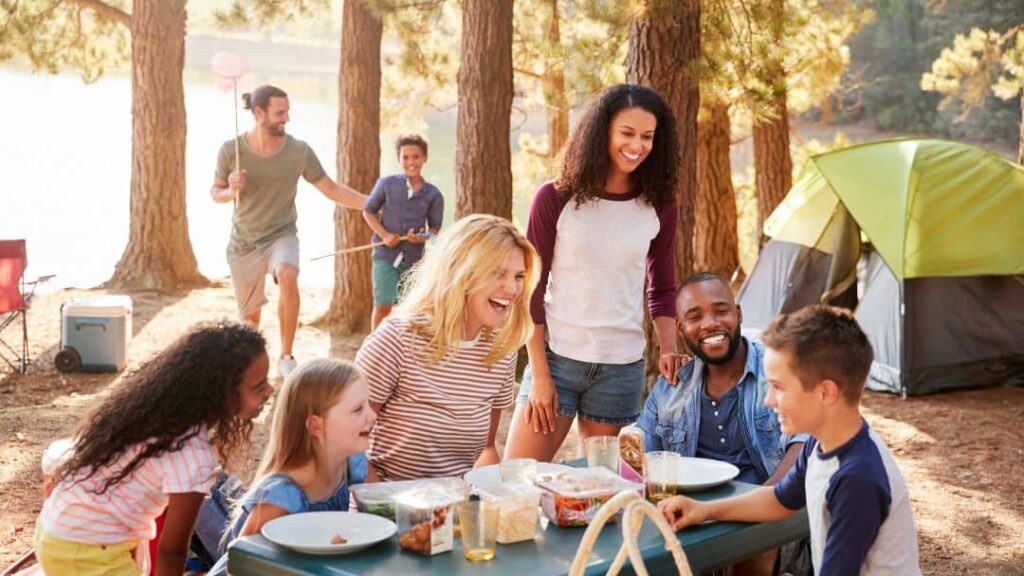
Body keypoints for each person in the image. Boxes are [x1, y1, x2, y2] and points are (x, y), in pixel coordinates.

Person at [659, 305, 922, 576]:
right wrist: (703, 510)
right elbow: (779, 500)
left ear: (826, 392)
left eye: (779, 387)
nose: (769, 399)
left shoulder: (857, 478)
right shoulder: (822, 442)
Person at [503, 83, 685, 463]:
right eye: (627, 133)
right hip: (557, 358)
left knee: (599, 489)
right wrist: (539, 374)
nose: (637, 145)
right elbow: (530, 292)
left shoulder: (660, 205)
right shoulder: (555, 198)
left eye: (648, 137)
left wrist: (669, 346)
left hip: (621, 368)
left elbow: (662, 286)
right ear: (603, 131)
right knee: (517, 479)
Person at [34, 321, 272, 576]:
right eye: (258, 387)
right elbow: (171, 551)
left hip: (56, 528)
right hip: (86, 550)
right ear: (222, 392)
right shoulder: (192, 455)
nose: (270, 390)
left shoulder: (154, 413)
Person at [638, 271, 807, 576]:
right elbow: (639, 459)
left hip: (768, 514)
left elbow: (800, 457)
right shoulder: (670, 389)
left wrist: (752, 508)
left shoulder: (778, 373)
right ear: (680, 328)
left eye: (721, 311)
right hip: (691, 516)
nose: (710, 323)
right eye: (695, 316)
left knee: (756, 540)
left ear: (737, 313)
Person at [355, 214, 539, 480]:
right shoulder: (395, 340)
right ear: (460, 272)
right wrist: (387, 505)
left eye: (519, 276)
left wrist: (497, 498)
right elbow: (347, 448)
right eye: (497, 273)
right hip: (384, 510)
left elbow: (486, 450)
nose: (512, 288)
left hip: (453, 509)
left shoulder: (502, 351)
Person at [210, 84, 368, 379]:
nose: (286, 118)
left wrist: (372, 203)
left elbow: (331, 188)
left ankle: (286, 356)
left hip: (281, 233)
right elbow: (215, 193)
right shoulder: (231, 151)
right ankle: (251, 365)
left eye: (288, 112)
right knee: (250, 318)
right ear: (259, 113)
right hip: (244, 242)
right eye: (280, 113)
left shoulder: (298, 151)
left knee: (288, 273)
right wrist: (231, 190)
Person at [203, 359, 375, 575]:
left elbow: (384, 514)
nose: (373, 415)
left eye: (369, 404)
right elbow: (242, 563)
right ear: (316, 425)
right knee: (204, 495)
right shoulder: (282, 495)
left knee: (222, 491)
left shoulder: (351, 461)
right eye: (358, 409)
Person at [362, 133, 444, 330]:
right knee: (382, 305)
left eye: (415, 157)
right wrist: (384, 235)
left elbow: (434, 230)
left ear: (425, 158)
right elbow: (368, 211)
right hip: (385, 255)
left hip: (414, 259)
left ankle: (402, 350)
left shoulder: (433, 194)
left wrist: (421, 238)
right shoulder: (386, 184)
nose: (411, 162)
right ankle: (376, 349)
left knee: (407, 307)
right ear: (399, 159)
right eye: (405, 157)